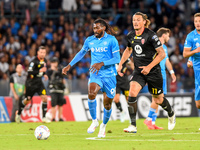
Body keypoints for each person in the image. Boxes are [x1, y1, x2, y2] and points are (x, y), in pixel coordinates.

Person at [117, 12, 176, 133]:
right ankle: (133, 125)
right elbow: (128, 51)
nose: (135, 22)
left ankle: (171, 113)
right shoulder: (130, 35)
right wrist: (120, 64)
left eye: (138, 20)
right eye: (134, 20)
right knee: (132, 92)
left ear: (144, 21)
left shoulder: (151, 35)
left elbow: (162, 54)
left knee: (159, 100)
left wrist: (149, 67)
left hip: (153, 72)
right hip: (139, 71)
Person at [62, 18, 120, 138]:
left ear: (103, 28)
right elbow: (81, 53)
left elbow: (117, 59)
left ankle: (103, 126)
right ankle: (94, 121)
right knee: (91, 93)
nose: (95, 30)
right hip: (95, 74)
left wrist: (101, 63)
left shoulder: (111, 40)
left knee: (107, 104)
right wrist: (69, 65)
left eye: (98, 27)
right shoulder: (90, 40)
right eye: (94, 28)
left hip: (109, 75)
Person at [144, 27, 176, 130]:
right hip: (156, 74)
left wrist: (172, 72)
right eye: (168, 35)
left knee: (156, 98)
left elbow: (166, 61)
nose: (169, 37)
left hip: (162, 74)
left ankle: (152, 122)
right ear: (163, 35)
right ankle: (149, 119)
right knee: (158, 98)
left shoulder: (164, 48)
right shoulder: (153, 45)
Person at [15, 46, 49, 123]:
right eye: (41, 52)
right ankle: (19, 113)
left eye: (44, 52)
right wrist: (40, 71)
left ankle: (44, 117)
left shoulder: (45, 60)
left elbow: (42, 70)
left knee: (45, 98)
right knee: (27, 100)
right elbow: (30, 72)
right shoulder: (33, 61)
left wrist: (44, 74)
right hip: (31, 84)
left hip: (39, 83)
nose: (43, 54)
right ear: (38, 52)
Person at [183, 13, 200, 122]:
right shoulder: (190, 36)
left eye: (199, 21)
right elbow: (185, 54)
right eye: (196, 22)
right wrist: (194, 52)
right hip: (197, 71)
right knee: (198, 104)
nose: (198, 24)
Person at [114, 53, 134, 122]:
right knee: (116, 99)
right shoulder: (110, 57)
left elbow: (130, 63)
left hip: (124, 82)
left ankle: (131, 117)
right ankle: (122, 112)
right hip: (116, 82)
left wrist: (135, 73)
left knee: (128, 100)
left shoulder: (122, 56)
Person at [47, 57, 66, 121]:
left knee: (60, 104)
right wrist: (54, 71)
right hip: (53, 89)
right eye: (53, 62)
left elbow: (63, 78)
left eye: (55, 62)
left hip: (60, 89)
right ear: (51, 63)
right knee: (53, 104)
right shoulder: (49, 71)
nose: (54, 64)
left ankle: (60, 117)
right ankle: (53, 117)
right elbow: (49, 78)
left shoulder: (60, 70)